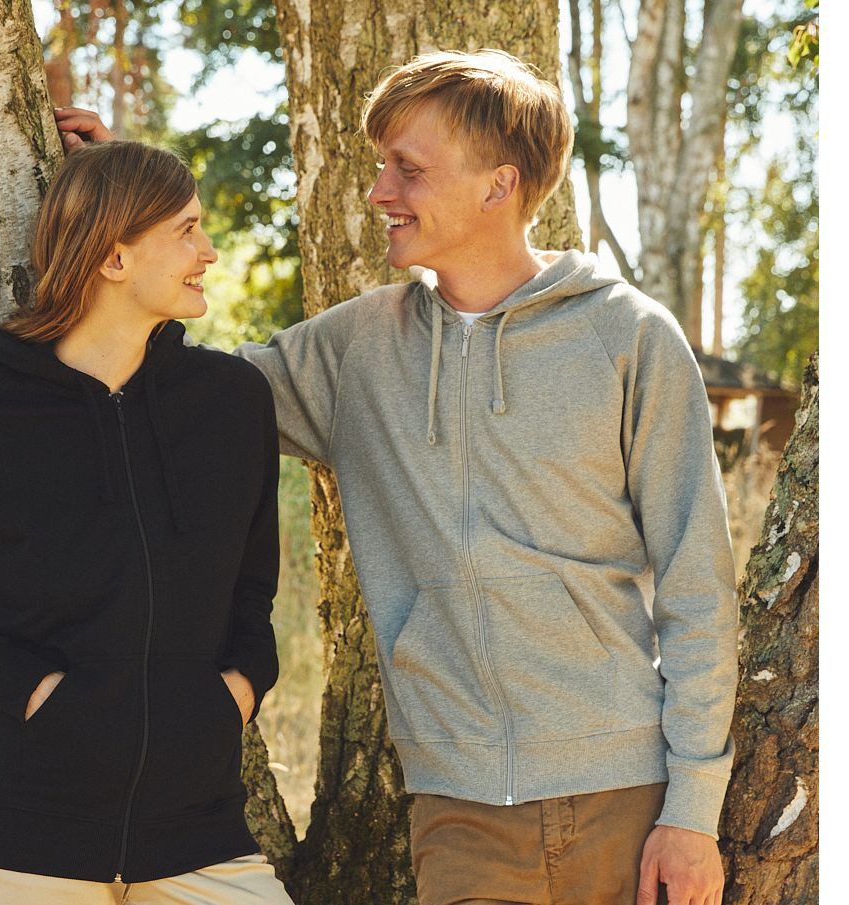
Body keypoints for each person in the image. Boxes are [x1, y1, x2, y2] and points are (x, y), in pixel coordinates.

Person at [58, 48, 737, 905]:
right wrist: (127, 206)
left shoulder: (628, 337)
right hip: (459, 810)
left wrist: (694, 811)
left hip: (627, 797)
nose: (380, 191)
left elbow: (697, 583)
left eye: (407, 170)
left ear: (499, 185)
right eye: (383, 167)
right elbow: (180, 392)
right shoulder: (355, 350)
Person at [0, 140, 296, 905]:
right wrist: (30, 687)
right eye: (186, 230)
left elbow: (251, 590)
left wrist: (237, 685)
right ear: (114, 258)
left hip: (197, 832)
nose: (211, 251)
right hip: (14, 841)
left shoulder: (231, 404)